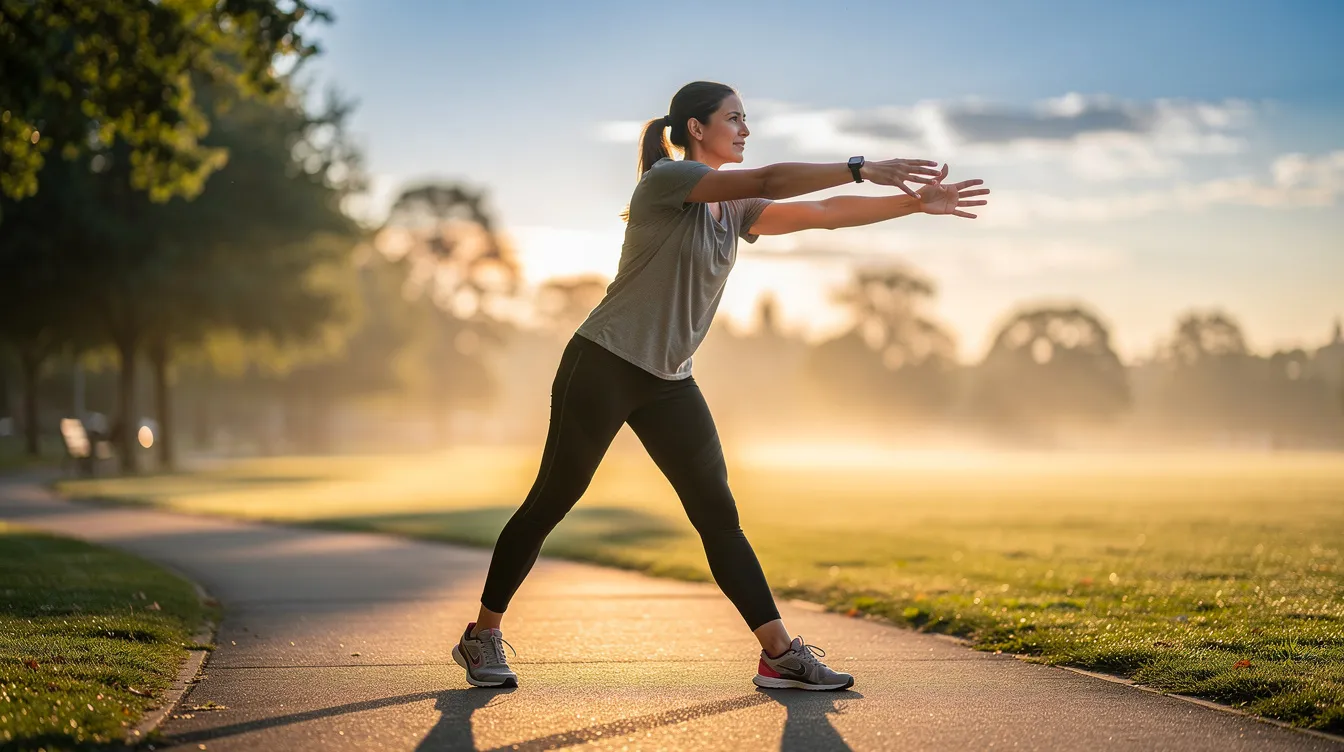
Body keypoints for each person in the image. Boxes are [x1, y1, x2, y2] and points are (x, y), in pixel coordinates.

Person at [453, 81, 989, 690]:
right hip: (604, 361)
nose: (745, 129)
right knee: (553, 499)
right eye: (734, 118)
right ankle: (482, 636)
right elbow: (770, 179)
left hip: (669, 380)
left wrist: (913, 205)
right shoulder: (668, 180)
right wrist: (860, 167)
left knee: (718, 515)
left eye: (745, 119)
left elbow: (821, 215)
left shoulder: (732, 209)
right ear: (696, 128)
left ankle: (779, 655)